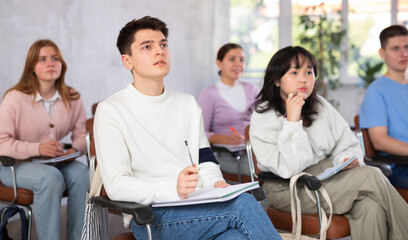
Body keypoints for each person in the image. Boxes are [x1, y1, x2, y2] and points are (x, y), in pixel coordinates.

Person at [94, 16, 280, 240]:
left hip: (199, 203)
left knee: (235, 237)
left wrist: (215, 183)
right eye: (147, 46)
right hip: (151, 217)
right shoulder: (111, 110)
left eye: (163, 45)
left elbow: (205, 158)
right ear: (127, 61)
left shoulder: (187, 104)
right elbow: (116, 185)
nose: (159, 51)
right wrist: (174, 188)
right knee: (243, 205)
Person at [250, 46, 408, 240]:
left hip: (327, 177)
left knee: (371, 207)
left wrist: (345, 159)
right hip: (288, 187)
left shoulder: (320, 105)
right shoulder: (263, 116)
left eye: (309, 72)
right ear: (276, 80)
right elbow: (290, 169)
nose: (304, 79)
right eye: (294, 72)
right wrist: (292, 122)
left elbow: (347, 143)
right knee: (371, 175)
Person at [0, 39, 89, 240]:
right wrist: (38, 148)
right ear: (32, 67)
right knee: (49, 177)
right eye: (43, 59)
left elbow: (82, 135)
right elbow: (2, 143)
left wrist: (74, 151)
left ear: (62, 64)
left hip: (55, 162)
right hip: (14, 166)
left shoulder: (72, 97)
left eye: (55, 58)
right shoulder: (15, 97)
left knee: (83, 174)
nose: (50, 63)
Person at [198, 43, 258, 178]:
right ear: (219, 63)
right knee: (268, 172)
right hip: (230, 157)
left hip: (256, 152)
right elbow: (199, 133)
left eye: (242, 59)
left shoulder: (251, 89)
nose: (238, 64)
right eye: (232, 59)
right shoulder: (209, 94)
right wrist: (225, 139)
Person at [360, 25, 408, 189]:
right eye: (396, 48)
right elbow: (380, 141)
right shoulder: (376, 91)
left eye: (407, 47)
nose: (404, 53)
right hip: (398, 167)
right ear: (382, 53)